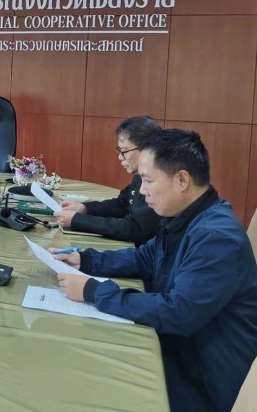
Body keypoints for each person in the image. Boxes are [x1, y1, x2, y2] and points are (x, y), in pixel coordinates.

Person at [53, 129, 257, 412]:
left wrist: (95, 292)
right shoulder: (184, 215)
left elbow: (177, 313)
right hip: (181, 352)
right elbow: (147, 257)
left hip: (204, 380)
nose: (142, 191)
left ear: (182, 180)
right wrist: (86, 261)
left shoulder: (216, 237)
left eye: (148, 181)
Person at [53, 116, 161, 245]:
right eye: (119, 151)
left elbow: (135, 228)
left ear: (146, 149)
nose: (120, 157)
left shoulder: (158, 178)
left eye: (124, 151)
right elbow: (122, 204)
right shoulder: (140, 175)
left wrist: (78, 220)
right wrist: (85, 208)